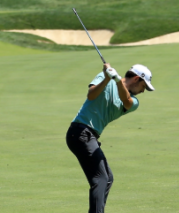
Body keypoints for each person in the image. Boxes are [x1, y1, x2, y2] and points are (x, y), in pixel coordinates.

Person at [66, 63, 153, 213]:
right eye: (143, 86)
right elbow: (91, 95)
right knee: (100, 178)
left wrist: (117, 80)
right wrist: (106, 78)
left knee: (107, 178)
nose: (143, 91)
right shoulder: (105, 77)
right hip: (80, 132)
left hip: (88, 135)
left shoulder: (134, 102)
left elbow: (125, 100)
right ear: (136, 79)